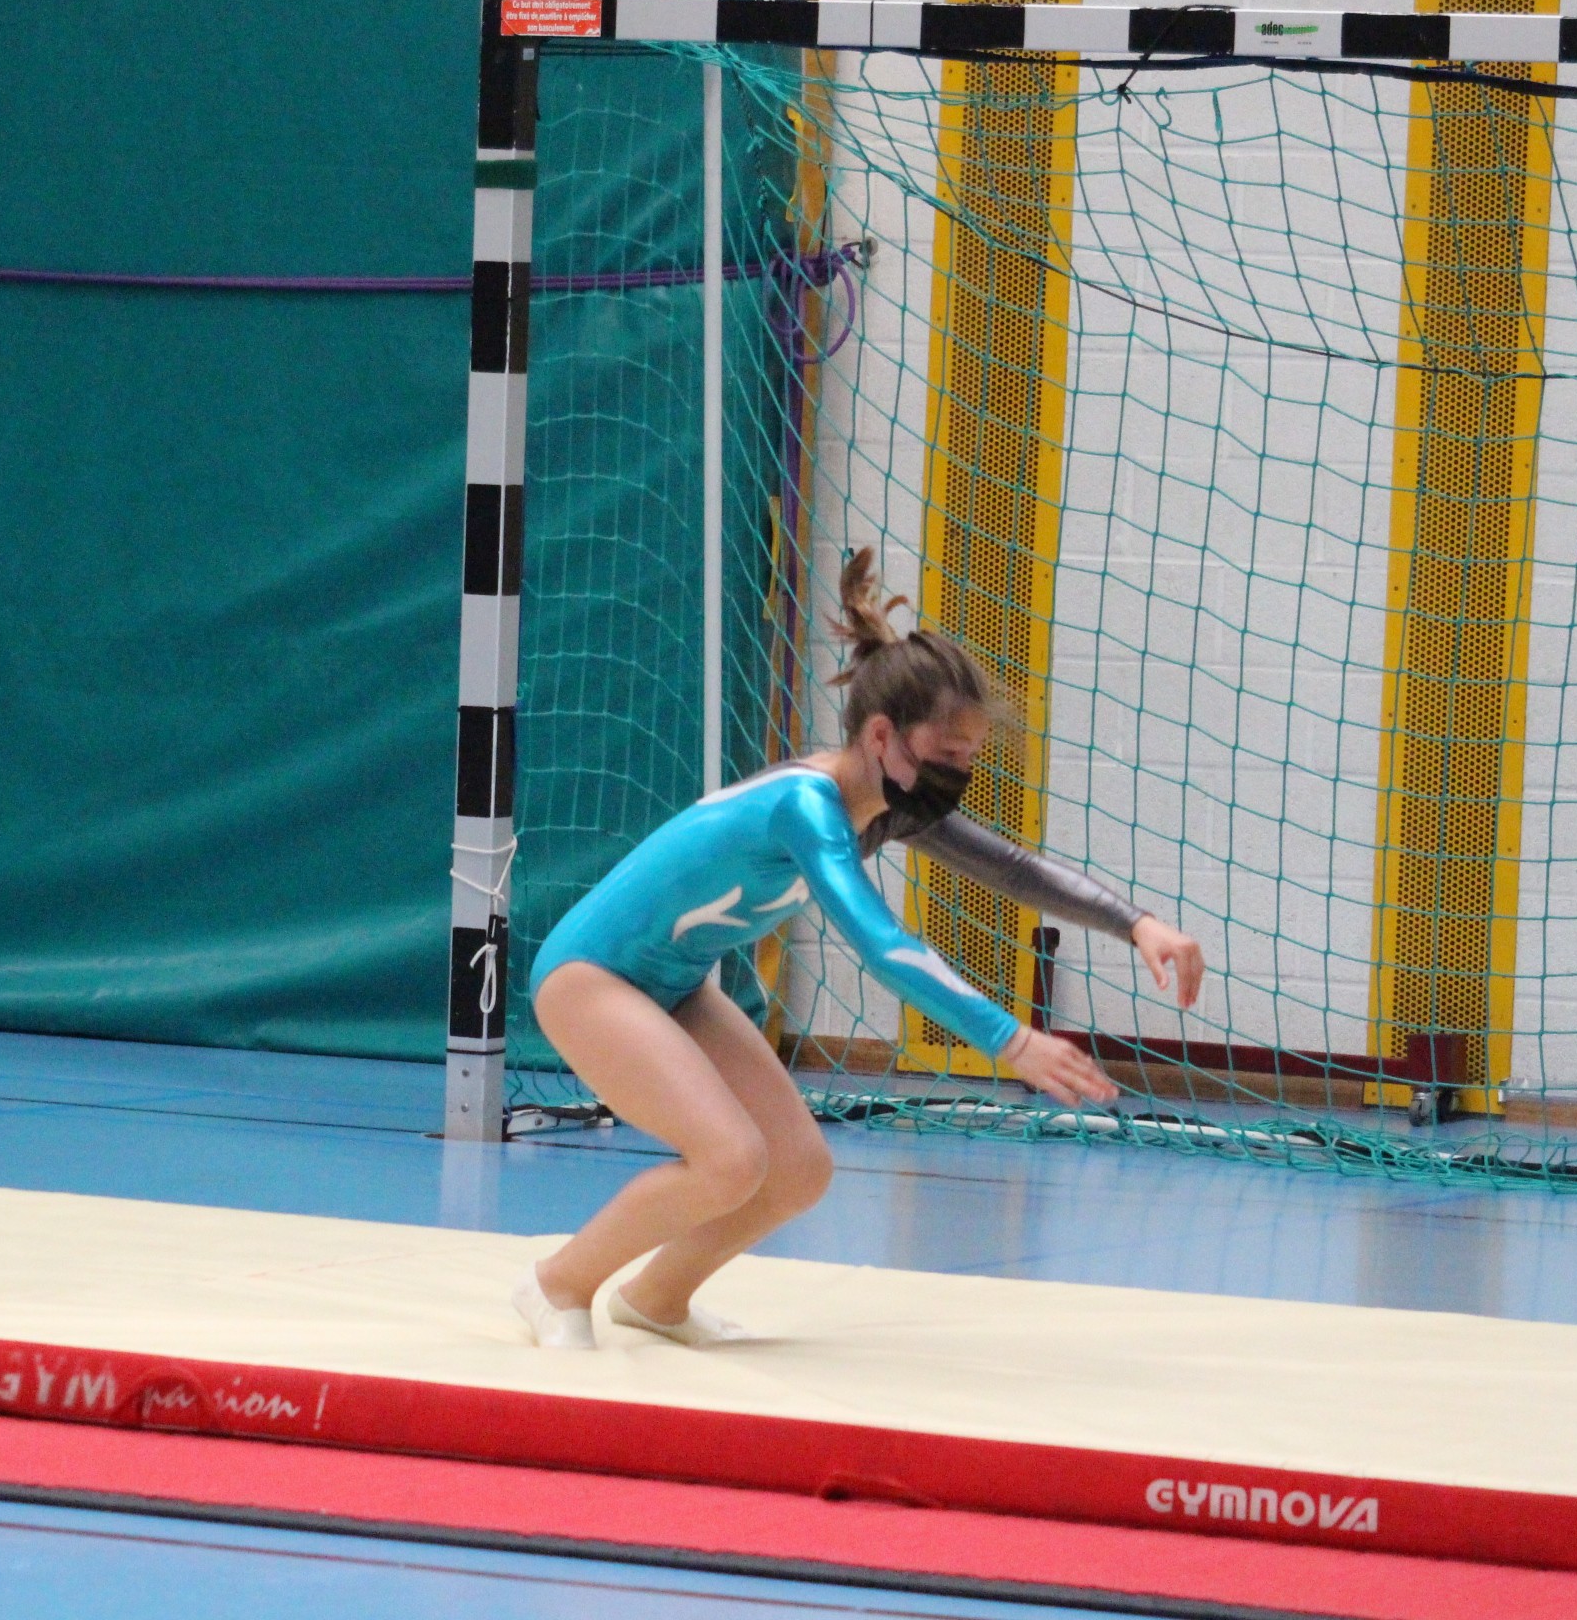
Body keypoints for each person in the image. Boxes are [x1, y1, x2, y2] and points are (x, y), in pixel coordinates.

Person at [513, 548, 1206, 1350]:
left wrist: (1137, 923)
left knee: (797, 1171)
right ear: (883, 735)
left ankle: (657, 1300)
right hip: (591, 980)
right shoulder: (807, 806)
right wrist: (1011, 1040)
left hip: (676, 983)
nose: (961, 773)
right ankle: (558, 1283)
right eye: (948, 755)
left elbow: (1012, 868)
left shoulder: (888, 807)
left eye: (971, 757)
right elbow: (881, 945)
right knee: (730, 1159)